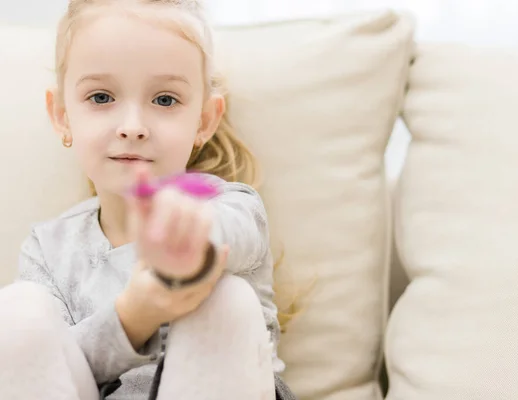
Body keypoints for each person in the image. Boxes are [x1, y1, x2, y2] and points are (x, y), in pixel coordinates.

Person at [0, 0, 296, 399]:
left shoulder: (231, 207)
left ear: (204, 120)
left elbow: (223, 235)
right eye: (102, 97)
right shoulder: (48, 249)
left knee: (225, 299)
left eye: (165, 100)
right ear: (62, 116)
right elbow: (46, 368)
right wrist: (133, 317)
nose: (133, 127)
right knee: (17, 309)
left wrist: (184, 244)